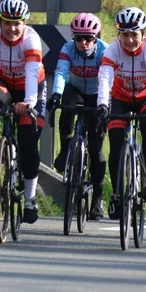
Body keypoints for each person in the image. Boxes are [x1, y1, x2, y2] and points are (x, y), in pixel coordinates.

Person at [0, 0, 46, 224]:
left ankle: (30, 199)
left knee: (28, 144)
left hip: (30, 88)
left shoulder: (31, 39)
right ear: (0, 22)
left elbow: (32, 74)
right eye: (7, 23)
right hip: (3, 82)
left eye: (17, 24)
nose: (12, 28)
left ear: (25, 23)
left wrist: (29, 103)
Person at [96, 7, 146, 219]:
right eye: (124, 35)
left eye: (134, 35)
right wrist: (103, 104)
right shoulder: (113, 50)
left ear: (142, 34)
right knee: (116, 143)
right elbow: (105, 77)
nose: (129, 40)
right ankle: (117, 195)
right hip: (121, 98)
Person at [48, 13, 108, 221]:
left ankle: (98, 198)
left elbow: (107, 79)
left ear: (95, 37)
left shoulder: (105, 51)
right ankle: (66, 150)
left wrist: (104, 104)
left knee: (96, 148)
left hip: (97, 94)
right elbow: (61, 73)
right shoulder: (67, 49)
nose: (83, 43)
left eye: (88, 38)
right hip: (75, 89)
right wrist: (56, 94)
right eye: (78, 38)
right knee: (67, 106)